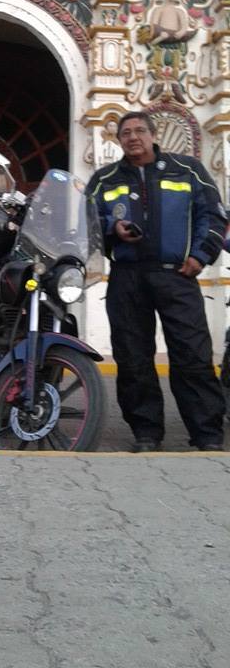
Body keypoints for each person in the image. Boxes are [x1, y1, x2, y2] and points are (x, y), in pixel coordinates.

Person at [87, 111, 227, 453]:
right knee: (133, 358)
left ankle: (206, 435)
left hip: (177, 275)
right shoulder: (103, 179)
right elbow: (88, 222)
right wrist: (111, 229)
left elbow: (213, 215)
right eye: (125, 133)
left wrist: (199, 257)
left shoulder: (188, 169)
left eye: (139, 131)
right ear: (118, 140)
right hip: (126, 277)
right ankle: (146, 433)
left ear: (153, 134)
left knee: (192, 354)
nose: (133, 137)